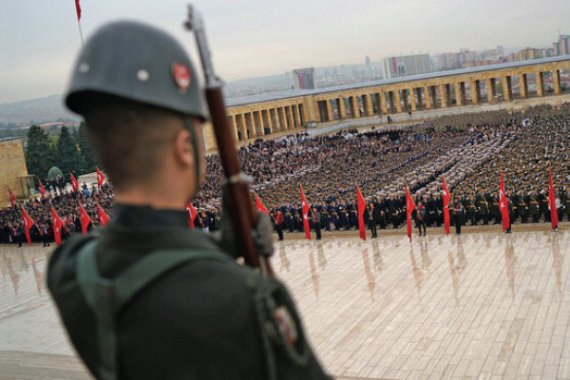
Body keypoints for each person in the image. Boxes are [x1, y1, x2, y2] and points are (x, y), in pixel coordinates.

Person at [47, 21, 330, 380]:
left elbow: (133, 255)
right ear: (184, 149)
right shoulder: (247, 301)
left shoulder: (70, 270)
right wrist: (218, 255)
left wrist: (218, 246)